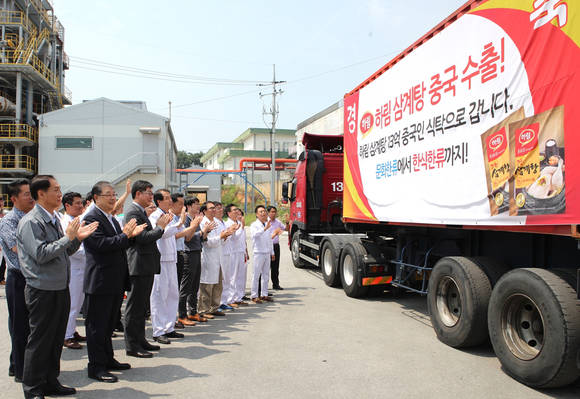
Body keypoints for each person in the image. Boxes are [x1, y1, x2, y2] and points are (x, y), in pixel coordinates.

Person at [17, 175, 98, 399]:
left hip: (59, 286)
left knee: (54, 340)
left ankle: (51, 381)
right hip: (41, 289)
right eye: (55, 189)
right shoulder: (32, 221)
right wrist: (68, 238)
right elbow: (41, 254)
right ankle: (33, 388)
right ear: (41, 194)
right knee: (40, 340)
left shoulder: (52, 218)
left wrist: (77, 239)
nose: (60, 193)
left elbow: (64, 251)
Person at [82, 181, 145, 383]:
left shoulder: (108, 217)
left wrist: (129, 236)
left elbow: (119, 241)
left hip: (113, 281)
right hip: (100, 281)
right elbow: (100, 245)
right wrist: (125, 235)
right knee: (97, 327)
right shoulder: (91, 218)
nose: (112, 198)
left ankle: (108, 359)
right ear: (96, 198)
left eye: (113, 194)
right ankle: (96, 367)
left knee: (108, 325)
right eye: (108, 194)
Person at [123, 180, 172, 359]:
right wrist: (160, 228)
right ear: (137, 194)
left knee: (142, 307)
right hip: (138, 264)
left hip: (146, 264)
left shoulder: (140, 211)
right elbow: (141, 238)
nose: (152, 197)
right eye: (148, 193)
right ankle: (132, 345)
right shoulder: (132, 212)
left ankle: (140, 339)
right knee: (134, 307)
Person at [0, 179, 34, 383]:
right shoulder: (9, 221)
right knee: (20, 325)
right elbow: (17, 249)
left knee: (29, 326)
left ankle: (17, 364)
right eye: (26, 194)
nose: (31, 197)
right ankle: (22, 371)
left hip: (32, 277)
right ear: (14, 199)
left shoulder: (31, 216)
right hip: (18, 278)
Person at [149, 189, 184, 344]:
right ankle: (158, 330)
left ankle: (169, 327)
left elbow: (176, 232)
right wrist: (178, 224)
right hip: (160, 259)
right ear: (159, 201)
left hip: (171, 258)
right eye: (167, 198)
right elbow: (161, 233)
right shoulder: (155, 216)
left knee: (172, 294)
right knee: (159, 296)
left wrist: (178, 224)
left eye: (170, 198)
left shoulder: (170, 215)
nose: (170, 201)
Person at [199, 202, 235, 318]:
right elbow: (207, 242)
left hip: (218, 257)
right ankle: (204, 310)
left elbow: (220, 239)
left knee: (218, 284)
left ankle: (214, 307)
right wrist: (221, 237)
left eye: (215, 208)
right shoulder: (203, 223)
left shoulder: (216, 223)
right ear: (204, 211)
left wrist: (226, 235)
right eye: (211, 208)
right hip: (208, 257)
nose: (214, 210)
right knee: (207, 286)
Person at [60, 192, 87, 350]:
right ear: (67, 205)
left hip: (82, 265)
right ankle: (66, 336)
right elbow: (71, 247)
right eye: (76, 203)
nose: (80, 206)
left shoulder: (78, 220)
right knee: (72, 302)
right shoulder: (65, 223)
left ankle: (72, 330)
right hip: (73, 265)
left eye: (81, 203)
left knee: (78, 302)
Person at [180, 198, 210, 323]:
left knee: (195, 285)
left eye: (198, 204)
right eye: (195, 204)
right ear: (188, 206)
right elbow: (188, 238)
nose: (198, 206)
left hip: (197, 252)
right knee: (186, 286)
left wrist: (205, 232)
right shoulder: (186, 220)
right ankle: (182, 315)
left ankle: (193, 312)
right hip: (188, 254)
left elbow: (201, 238)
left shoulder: (195, 220)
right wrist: (200, 230)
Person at [250, 205, 278, 303]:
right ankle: (254, 295)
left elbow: (269, 239)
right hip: (258, 252)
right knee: (256, 275)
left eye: (264, 211)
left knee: (266, 274)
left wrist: (272, 252)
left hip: (266, 253)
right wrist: (264, 229)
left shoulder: (267, 224)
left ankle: (264, 294)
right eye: (261, 212)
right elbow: (254, 235)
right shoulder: (254, 225)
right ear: (257, 214)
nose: (263, 213)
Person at [267, 206, 288, 290]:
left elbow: (286, 229)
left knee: (275, 266)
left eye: (275, 212)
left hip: (275, 246)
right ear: (268, 213)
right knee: (265, 267)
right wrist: (275, 233)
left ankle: (275, 284)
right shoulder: (266, 222)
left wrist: (287, 222)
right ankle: (262, 287)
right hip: (267, 246)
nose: (273, 213)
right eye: (272, 212)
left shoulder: (278, 222)